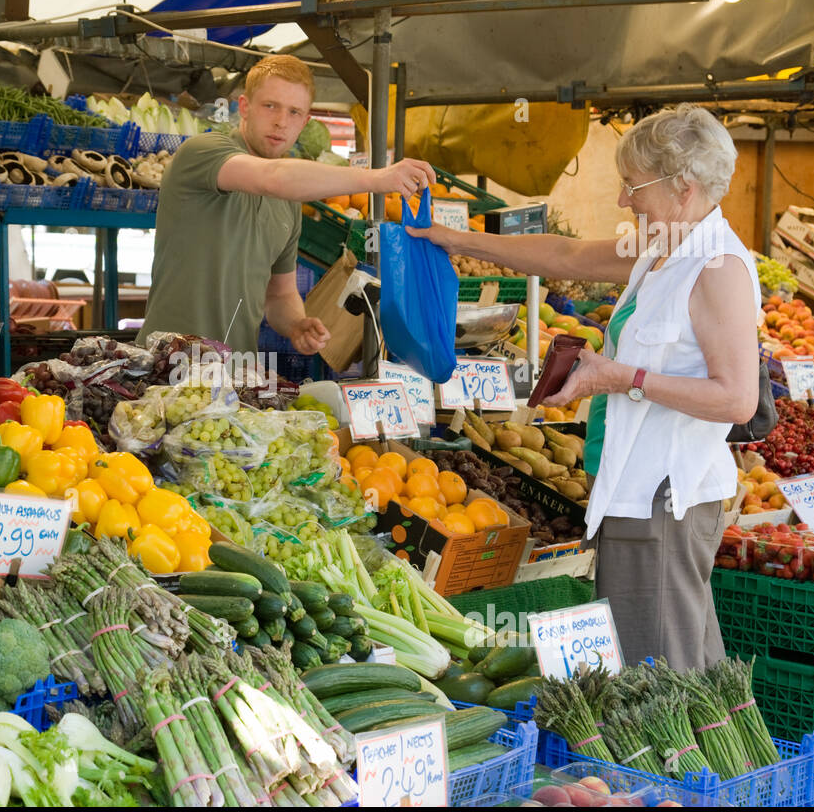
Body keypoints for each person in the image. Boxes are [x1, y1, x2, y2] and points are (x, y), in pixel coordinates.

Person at [408, 104, 760, 671]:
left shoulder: (716, 267)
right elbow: (566, 254)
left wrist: (621, 377)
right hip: (632, 487)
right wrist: (454, 240)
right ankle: (705, 759)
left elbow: (737, 399)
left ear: (683, 188)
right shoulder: (664, 248)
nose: (623, 201)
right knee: (681, 654)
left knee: (658, 665)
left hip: (663, 497)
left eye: (632, 186)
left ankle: (674, 763)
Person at [138, 55, 436, 357]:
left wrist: (296, 324)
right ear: (244, 107)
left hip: (232, 374)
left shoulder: (288, 202)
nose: (281, 121)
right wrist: (377, 178)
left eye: (294, 112)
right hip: (167, 361)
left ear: (305, 122)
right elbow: (274, 177)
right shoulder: (203, 152)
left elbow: (279, 294)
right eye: (270, 106)